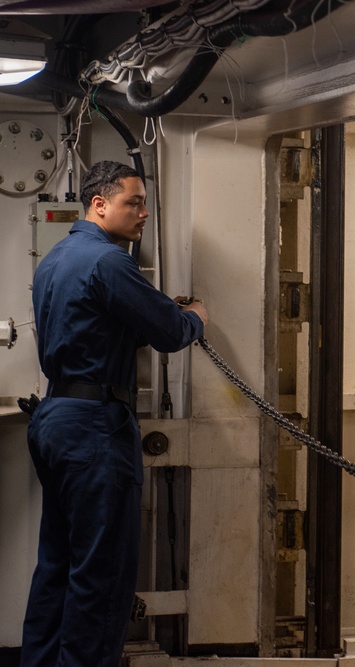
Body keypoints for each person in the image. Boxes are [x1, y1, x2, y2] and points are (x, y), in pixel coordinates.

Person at [21, 160, 208, 667]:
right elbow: (170, 333)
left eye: (144, 203)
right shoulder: (109, 262)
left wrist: (158, 312)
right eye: (134, 202)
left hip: (56, 418)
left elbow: (100, 326)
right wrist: (194, 318)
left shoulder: (56, 258)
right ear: (99, 205)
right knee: (101, 576)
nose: (144, 213)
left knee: (58, 565)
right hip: (94, 429)